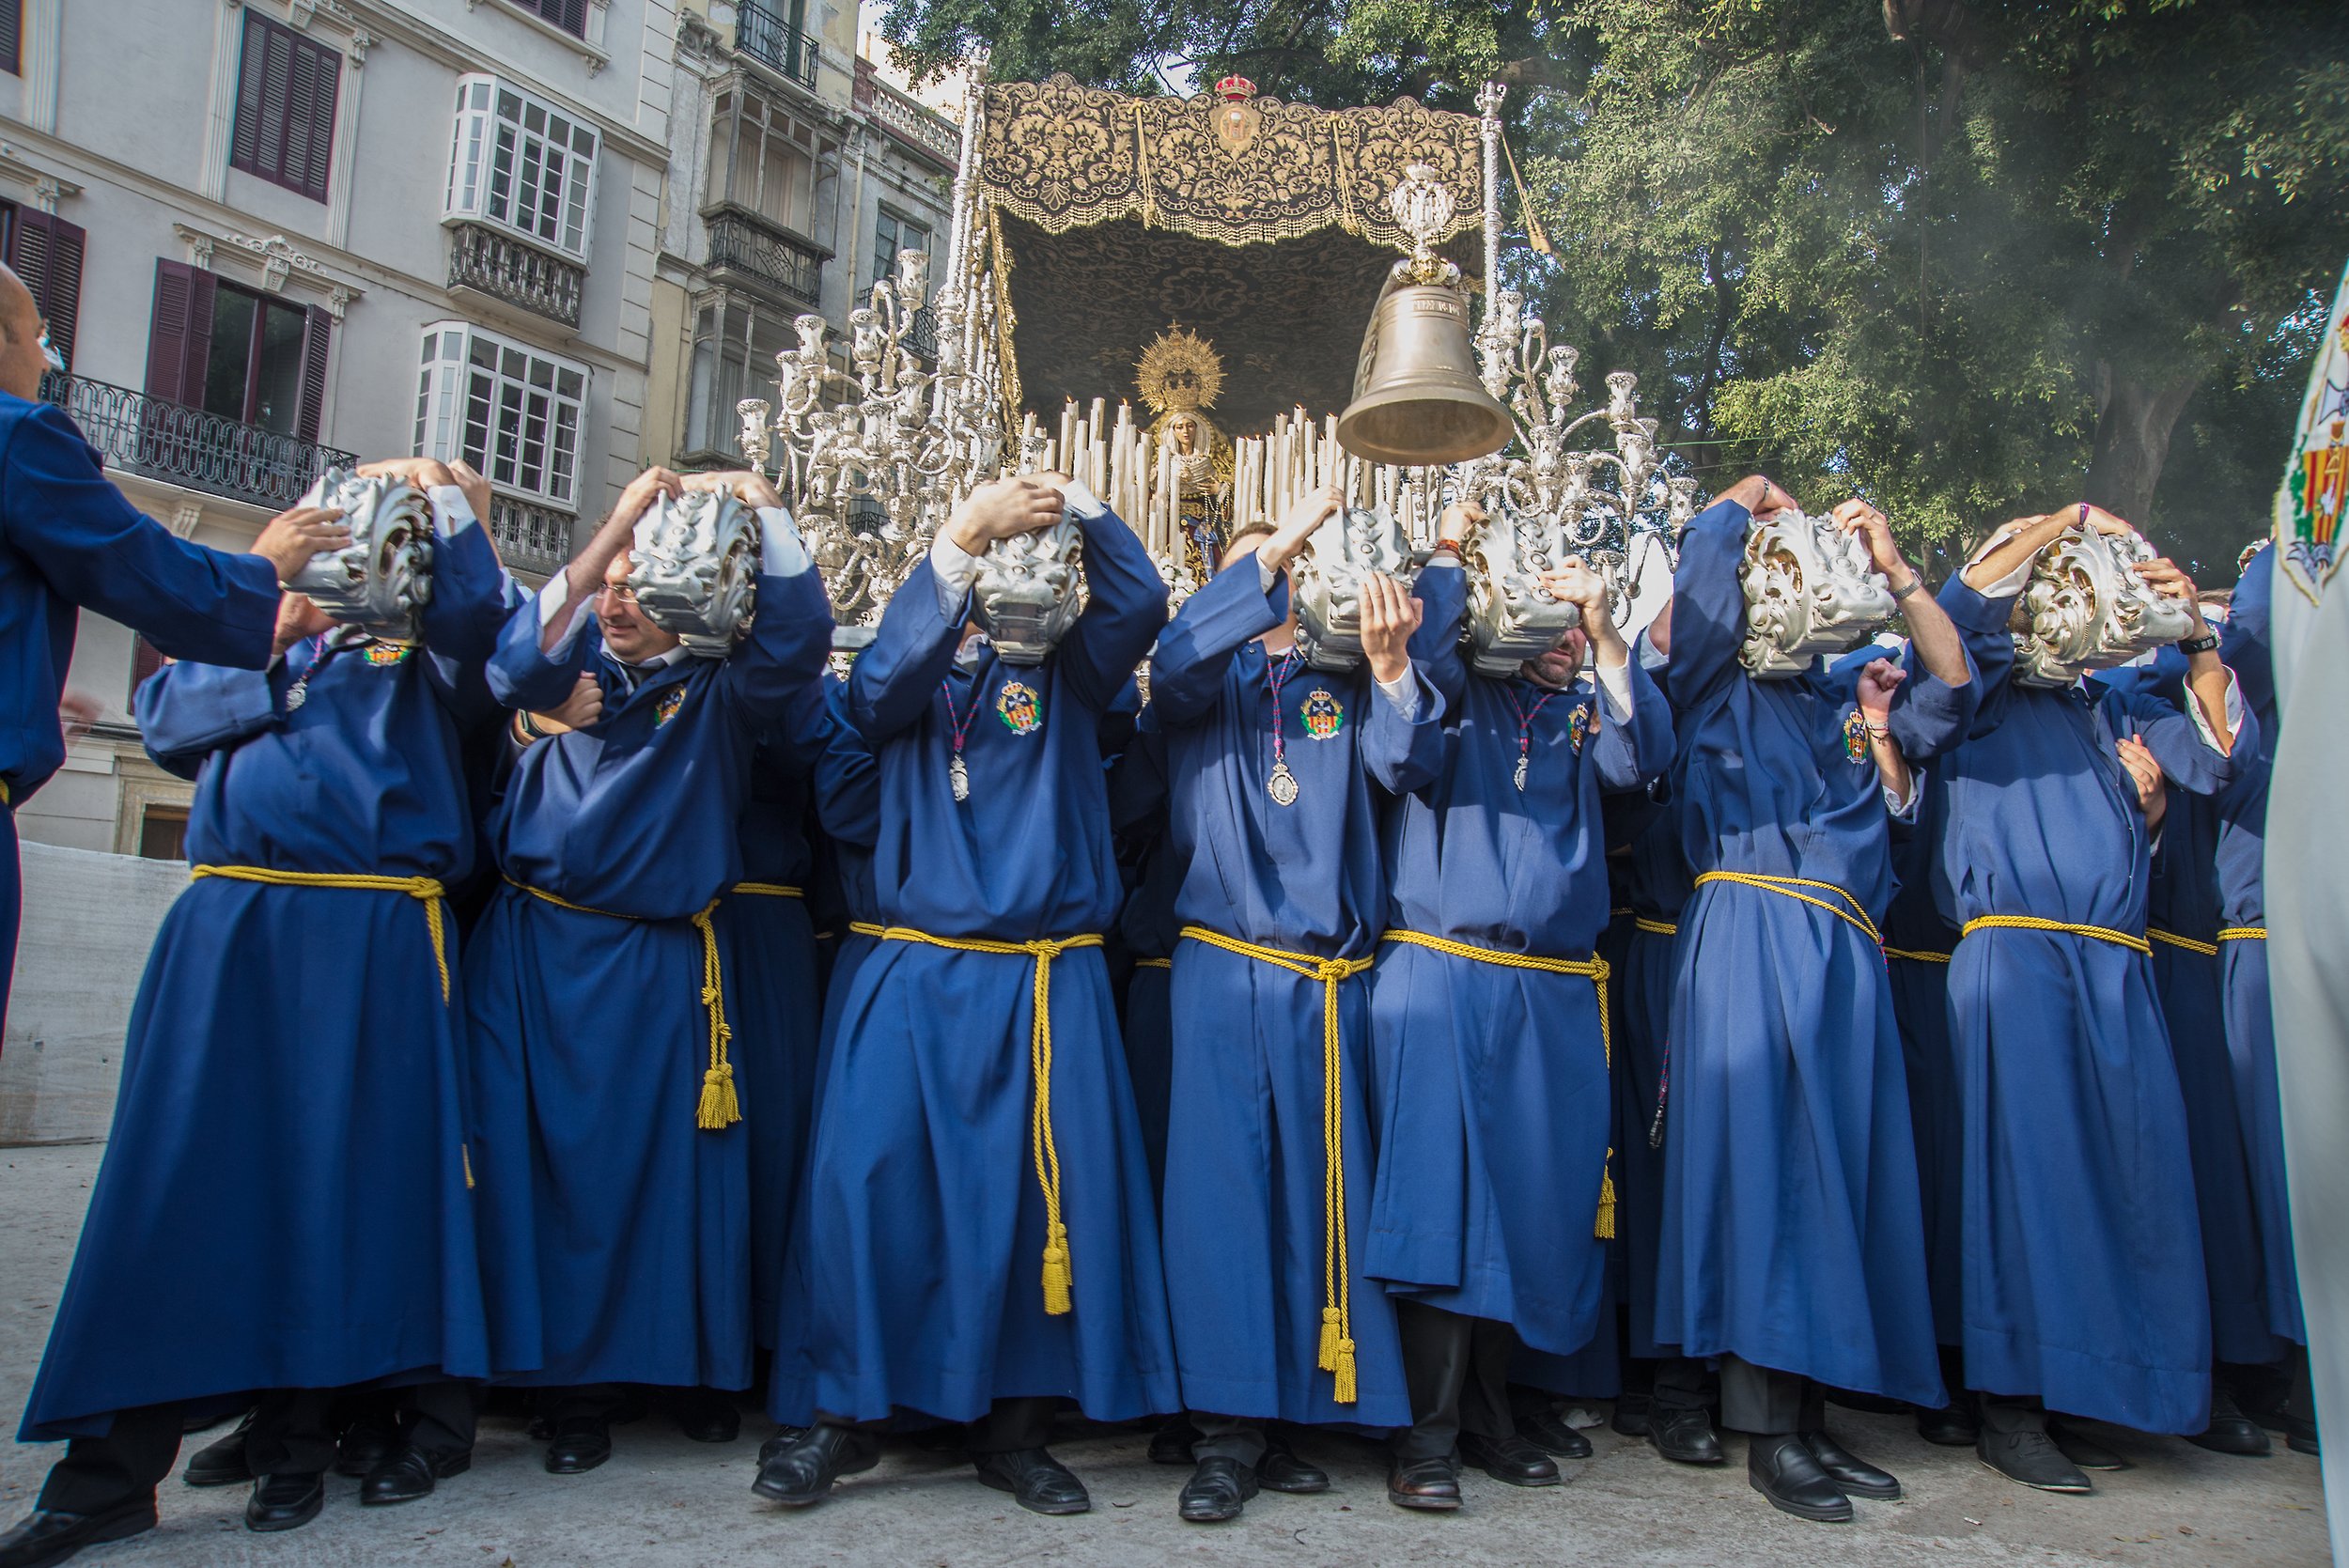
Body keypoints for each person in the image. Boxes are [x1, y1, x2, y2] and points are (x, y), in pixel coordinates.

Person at [0, 460, 506, 1568]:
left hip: (371, 937)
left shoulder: (429, 642)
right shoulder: (256, 619)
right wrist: (272, 626)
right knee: (179, 1181)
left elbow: (494, 647)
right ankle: (114, 1468)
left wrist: (455, 508)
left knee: (348, 1185)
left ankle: (303, 1436)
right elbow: (165, 719)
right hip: (231, 934)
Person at [757, 473, 1175, 1516]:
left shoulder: (1074, 683)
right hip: (914, 970)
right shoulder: (907, 683)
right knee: (870, 1190)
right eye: (1000, 562)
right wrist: (958, 531)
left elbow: (1137, 604)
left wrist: (1081, 507)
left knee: (1043, 1203)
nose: (1018, 578)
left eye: (1036, 565)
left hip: (1045, 978)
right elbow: (873, 681)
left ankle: (1017, 1432)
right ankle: (841, 1420)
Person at [465, 468, 832, 1474]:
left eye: (640, 582)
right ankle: (558, 1390)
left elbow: (800, 642)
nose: (620, 600)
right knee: (538, 1176)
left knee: (647, 1181)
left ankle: (659, 1375)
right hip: (535, 953)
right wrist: (615, 523)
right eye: (610, 585)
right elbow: (502, 666)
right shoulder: (559, 674)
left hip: (655, 961)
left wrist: (762, 507)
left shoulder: (719, 687)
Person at [1647, 479, 1976, 1523]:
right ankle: (1765, 1432)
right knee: (1761, 1169)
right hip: (1746, 931)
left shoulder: (1845, 700)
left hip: (1842, 949)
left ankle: (1814, 1416)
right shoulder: (1712, 688)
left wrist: (1892, 564)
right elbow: (1700, 584)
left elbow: (1954, 682)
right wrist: (1744, 500)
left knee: (1839, 1167)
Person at [1930, 505, 2245, 1493]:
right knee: (2029, 1184)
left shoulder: (2109, 701)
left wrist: (2190, 629)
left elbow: (2216, 759)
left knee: (2129, 1179)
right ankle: (2010, 1408)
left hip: (2116, 961)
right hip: (2014, 956)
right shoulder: (1975, 690)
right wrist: (2062, 517)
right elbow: (1962, 604)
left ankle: (2096, 1390)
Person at [1145, 489, 1445, 1522]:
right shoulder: (1203, 680)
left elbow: (1407, 764)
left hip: (1333, 980)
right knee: (1224, 1203)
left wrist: (1395, 667)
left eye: (1293, 565)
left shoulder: (1348, 677)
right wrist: (1269, 548)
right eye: (1262, 569)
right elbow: (1173, 657)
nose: (1281, 578)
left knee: (1338, 1198)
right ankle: (1230, 1436)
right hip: (1225, 970)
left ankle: (1329, 1409)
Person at [1364, 504, 1672, 1499]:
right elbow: (1399, 753)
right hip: (1443, 978)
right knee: (1442, 1210)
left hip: (1550, 991)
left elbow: (1641, 760)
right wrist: (1451, 553)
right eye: (1536, 614)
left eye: (1567, 621)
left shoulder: (1585, 707)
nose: (1556, 635)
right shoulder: (1456, 696)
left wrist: (1608, 627)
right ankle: (1425, 1437)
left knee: (1530, 1206)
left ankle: (1492, 1418)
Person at [0, 259, 346, 1029]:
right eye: (40, 338)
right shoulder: (20, 437)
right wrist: (265, 569)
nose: (49, 362)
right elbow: (146, 574)